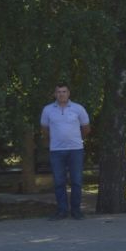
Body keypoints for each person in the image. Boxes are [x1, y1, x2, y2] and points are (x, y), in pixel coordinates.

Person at [40, 83, 90, 220]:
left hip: (76, 150)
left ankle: (76, 211)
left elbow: (86, 128)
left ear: (69, 93)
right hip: (56, 150)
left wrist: (75, 139)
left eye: (64, 91)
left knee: (77, 181)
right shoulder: (48, 110)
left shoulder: (78, 108)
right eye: (58, 92)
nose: (61, 94)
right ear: (55, 94)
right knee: (59, 182)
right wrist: (54, 140)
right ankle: (62, 211)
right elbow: (44, 129)